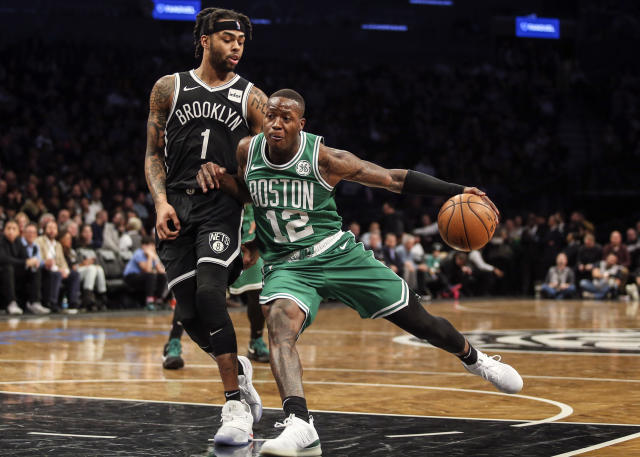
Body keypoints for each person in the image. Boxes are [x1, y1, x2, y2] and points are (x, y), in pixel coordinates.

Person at [197, 89, 523, 456]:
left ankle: (475, 360)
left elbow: (392, 179)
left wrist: (458, 189)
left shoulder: (326, 159)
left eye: (286, 118)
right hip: (288, 266)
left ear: (300, 125)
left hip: (337, 253)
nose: (275, 123)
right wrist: (220, 177)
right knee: (278, 325)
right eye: (271, 115)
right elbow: (248, 192)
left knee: (422, 323)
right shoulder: (246, 151)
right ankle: (300, 423)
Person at [143, 7, 265, 444]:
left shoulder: (253, 98)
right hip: (175, 205)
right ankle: (239, 367)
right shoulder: (168, 88)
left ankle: (234, 405)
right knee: (190, 311)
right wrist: (159, 204)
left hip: (221, 209)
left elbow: (264, 176)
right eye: (229, 39)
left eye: (242, 42)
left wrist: (233, 183)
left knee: (213, 293)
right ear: (205, 39)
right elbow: (153, 153)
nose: (237, 47)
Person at [227, 203, 269, 363]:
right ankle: (174, 342)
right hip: (220, 227)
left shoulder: (257, 179)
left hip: (248, 234)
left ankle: (256, 340)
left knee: (259, 290)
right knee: (193, 289)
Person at [0, 220, 42, 315]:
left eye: (14, 229)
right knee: (8, 267)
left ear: (18, 232)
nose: (11, 231)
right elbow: (3, 259)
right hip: (3, 273)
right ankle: (11, 303)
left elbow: (26, 259)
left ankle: (34, 302)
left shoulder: (18, 241)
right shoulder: (1, 240)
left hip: (16, 274)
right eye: (8, 228)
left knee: (35, 269)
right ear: (4, 230)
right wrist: (26, 262)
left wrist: (32, 262)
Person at [123, 236, 168, 309]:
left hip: (143, 276)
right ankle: (149, 302)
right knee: (151, 275)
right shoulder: (138, 253)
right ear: (144, 246)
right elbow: (147, 270)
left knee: (162, 276)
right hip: (130, 277)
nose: (153, 248)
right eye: (151, 245)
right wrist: (150, 256)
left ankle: (158, 300)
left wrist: (155, 258)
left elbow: (160, 271)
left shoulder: (153, 255)